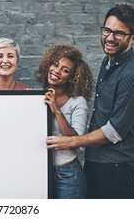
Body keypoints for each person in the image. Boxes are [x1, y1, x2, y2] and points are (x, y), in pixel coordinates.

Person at [46, 4, 134, 199]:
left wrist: (71, 141)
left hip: (115, 166)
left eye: (119, 33)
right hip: (97, 160)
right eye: (107, 30)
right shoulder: (109, 60)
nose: (110, 38)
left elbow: (115, 131)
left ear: (133, 38)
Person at [36, 43, 93, 199]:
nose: (57, 71)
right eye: (55, 65)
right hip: (40, 171)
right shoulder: (39, 95)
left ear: (72, 78)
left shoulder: (77, 102)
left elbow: (76, 140)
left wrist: (56, 109)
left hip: (67, 174)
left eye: (65, 70)